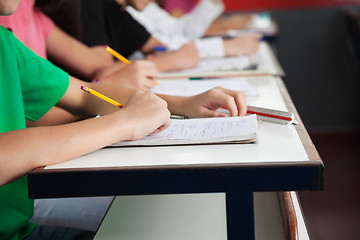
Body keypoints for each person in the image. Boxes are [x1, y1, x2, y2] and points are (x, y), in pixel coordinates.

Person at [0, 1, 247, 238]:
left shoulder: (5, 43)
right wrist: (124, 123)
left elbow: (84, 93)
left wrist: (183, 104)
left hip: (20, 230)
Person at [126, 0, 262, 59]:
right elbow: (162, 46)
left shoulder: (147, 7)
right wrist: (224, 47)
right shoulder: (122, 11)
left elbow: (180, 30)